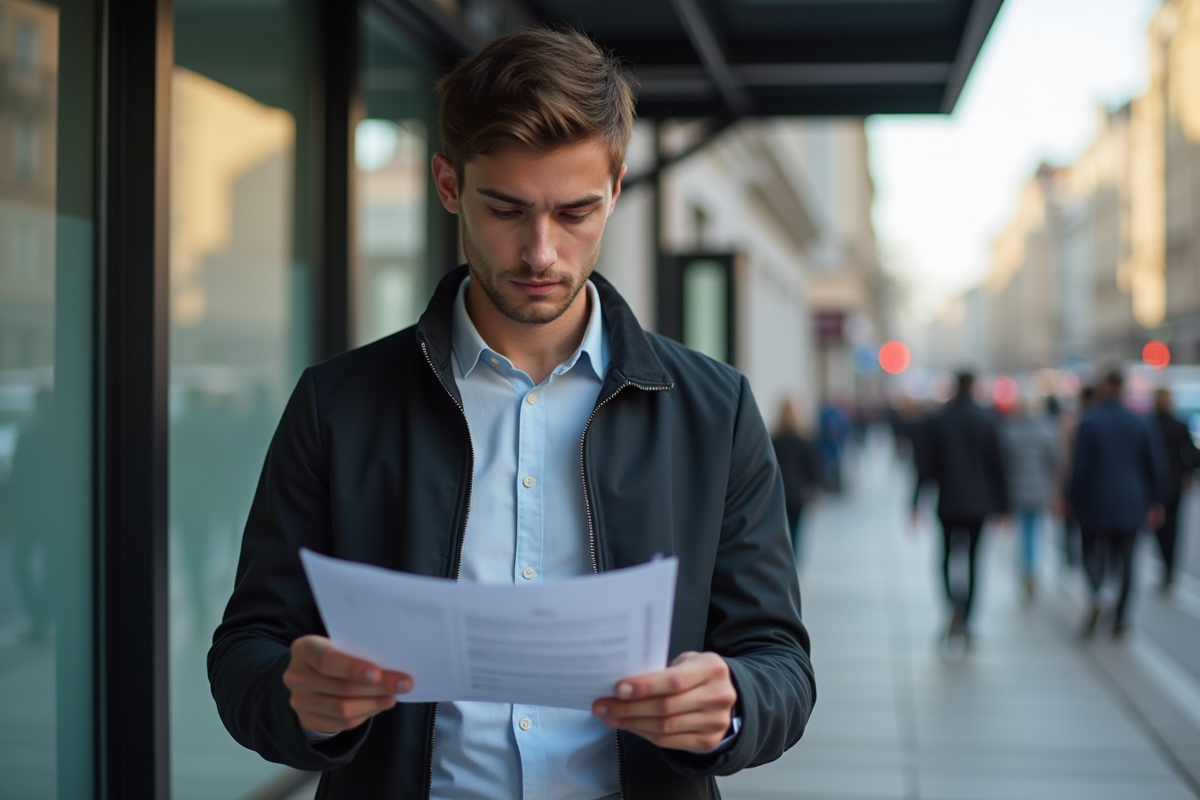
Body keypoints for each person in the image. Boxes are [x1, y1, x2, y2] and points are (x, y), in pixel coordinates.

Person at [208, 28, 814, 800]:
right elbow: (246, 651)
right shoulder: (338, 404)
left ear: (618, 190)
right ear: (448, 184)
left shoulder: (714, 409)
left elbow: (780, 663)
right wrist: (304, 703)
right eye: (507, 209)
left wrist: (732, 704)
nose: (541, 252)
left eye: (575, 212)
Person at [911, 372, 1009, 656]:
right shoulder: (988, 421)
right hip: (980, 505)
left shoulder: (938, 421)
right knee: (974, 561)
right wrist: (1004, 507)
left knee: (944, 557)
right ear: (974, 387)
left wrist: (916, 503)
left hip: (949, 502)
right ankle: (967, 617)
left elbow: (925, 467)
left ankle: (952, 605)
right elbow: (998, 467)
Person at [1068, 371, 1165, 638]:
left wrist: (1072, 499)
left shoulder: (1089, 422)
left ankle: (1098, 592)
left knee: (1090, 554)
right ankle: (1121, 616)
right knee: (1127, 560)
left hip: (1094, 502)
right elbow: (1153, 465)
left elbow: (1080, 468)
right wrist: (1156, 501)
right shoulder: (1140, 422)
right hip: (1131, 502)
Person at [998, 395, 1058, 601]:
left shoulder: (1009, 431)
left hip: (1016, 489)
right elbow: (1054, 460)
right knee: (1035, 531)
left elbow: (1003, 463)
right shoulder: (1045, 430)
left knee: (1022, 533)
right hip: (1039, 488)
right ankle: (1032, 569)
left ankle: (1026, 569)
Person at [1149, 387, 1199, 592]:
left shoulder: (1152, 425)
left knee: (1163, 529)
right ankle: (1168, 569)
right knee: (1170, 529)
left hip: (1162, 485)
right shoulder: (1157, 425)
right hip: (1170, 483)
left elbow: (1192, 454)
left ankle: (1168, 569)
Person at [771, 398, 820, 564]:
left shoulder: (774, 439)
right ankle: (794, 561)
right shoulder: (802, 439)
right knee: (796, 530)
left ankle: (784, 559)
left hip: (780, 491)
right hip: (798, 492)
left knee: (782, 529)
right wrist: (813, 489)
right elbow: (811, 466)